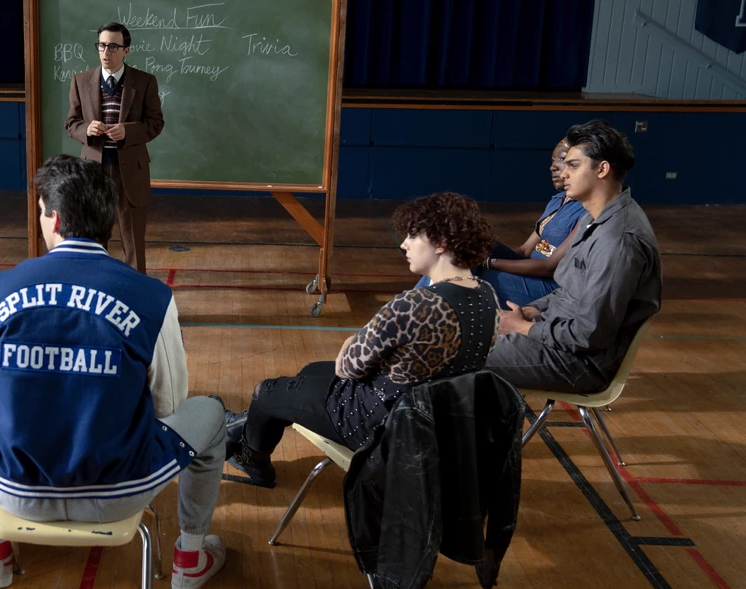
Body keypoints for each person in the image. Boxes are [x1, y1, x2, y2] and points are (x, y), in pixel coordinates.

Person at [0, 155, 227, 589]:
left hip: (15, 490)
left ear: (54, 218)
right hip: (119, 490)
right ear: (107, 219)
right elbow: (170, 404)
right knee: (210, 414)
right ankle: (190, 558)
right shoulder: (150, 296)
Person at [226, 192, 500, 488]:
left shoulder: (416, 303)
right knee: (311, 371)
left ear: (441, 243)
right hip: (437, 424)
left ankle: (249, 458)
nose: (403, 244)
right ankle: (242, 426)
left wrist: (353, 340)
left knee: (266, 392)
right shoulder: (486, 295)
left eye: (412, 236)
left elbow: (348, 367)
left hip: (380, 425)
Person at [485, 120, 661, 394]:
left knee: (452, 354)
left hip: (578, 362)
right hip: (555, 337)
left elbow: (589, 335)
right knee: (453, 342)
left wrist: (523, 328)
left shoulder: (618, 241)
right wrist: (533, 311)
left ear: (602, 169)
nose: (563, 173)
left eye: (574, 165)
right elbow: (568, 291)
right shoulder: (591, 219)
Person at [415, 139, 588, 308]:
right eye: (553, 160)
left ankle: (415, 310)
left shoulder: (587, 210)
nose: (553, 167)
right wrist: (479, 253)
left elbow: (549, 268)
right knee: (465, 244)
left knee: (468, 278)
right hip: (530, 270)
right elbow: (524, 250)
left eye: (563, 160)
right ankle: (415, 306)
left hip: (550, 285)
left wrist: (488, 263)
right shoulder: (557, 201)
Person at [64, 23, 165, 274]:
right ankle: (98, 285)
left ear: (126, 50)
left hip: (129, 171)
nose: (105, 52)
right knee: (95, 236)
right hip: (94, 170)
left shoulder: (145, 82)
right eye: (101, 45)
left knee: (133, 240)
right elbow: (71, 123)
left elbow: (156, 123)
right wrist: (86, 129)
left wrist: (128, 131)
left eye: (112, 46)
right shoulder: (81, 81)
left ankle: (136, 289)